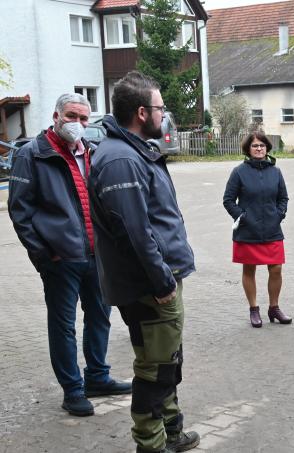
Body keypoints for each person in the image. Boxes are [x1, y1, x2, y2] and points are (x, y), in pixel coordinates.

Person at [88, 71, 199, 453]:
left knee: (167, 361)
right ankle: (150, 445)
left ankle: (172, 430)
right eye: (160, 108)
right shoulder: (120, 159)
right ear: (140, 112)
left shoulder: (133, 151)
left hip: (158, 281)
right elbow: (136, 234)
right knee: (154, 370)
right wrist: (163, 283)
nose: (163, 115)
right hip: (151, 287)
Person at [7, 93, 131, 416]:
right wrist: (44, 254)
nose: (78, 123)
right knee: (63, 325)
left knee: (100, 316)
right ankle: (72, 389)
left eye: (84, 118)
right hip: (60, 259)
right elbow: (20, 211)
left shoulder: (92, 152)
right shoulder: (33, 155)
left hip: (96, 254)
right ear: (56, 116)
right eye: (72, 116)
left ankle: (98, 377)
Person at [223, 131, 291, 327]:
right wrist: (241, 216)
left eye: (262, 145)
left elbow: (283, 198)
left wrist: (279, 214)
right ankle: (254, 309)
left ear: (267, 148)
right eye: (255, 146)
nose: (259, 148)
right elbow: (228, 200)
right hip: (247, 230)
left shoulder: (275, 172)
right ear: (248, 149)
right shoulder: (239, 172)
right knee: (249, 269)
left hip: (272, 228)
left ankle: (274, 307)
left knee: (276, 268)